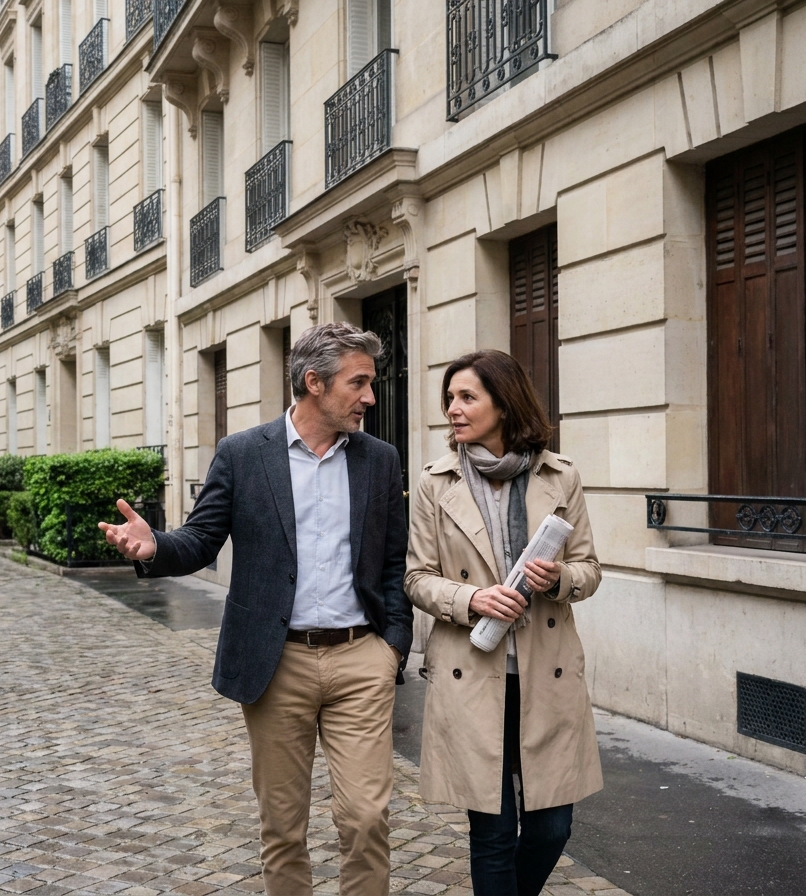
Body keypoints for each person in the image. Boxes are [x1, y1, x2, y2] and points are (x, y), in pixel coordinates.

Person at [99, 321, 413, 896]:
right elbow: (201, 540)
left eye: (371, 383)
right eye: (359, 383)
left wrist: (391, 645)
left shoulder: (380, 459)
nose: (371, 397)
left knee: (367, 818)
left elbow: (394, 563)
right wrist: (154, 547)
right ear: (314, 382)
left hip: (359, 659)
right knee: (284, 826)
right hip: (277, 664)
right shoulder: (243, 454)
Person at [404, 350, 602, 896]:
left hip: (547, 673)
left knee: (552, 826)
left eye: (467, 397)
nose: (453, 410)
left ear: (505, 402)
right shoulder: (435, 483)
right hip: (472, 670)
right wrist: (472, 598)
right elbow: (416, 577)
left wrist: (558, 577)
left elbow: (590, 570)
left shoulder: (561, 477)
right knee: (491, 832)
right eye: (450, 398)